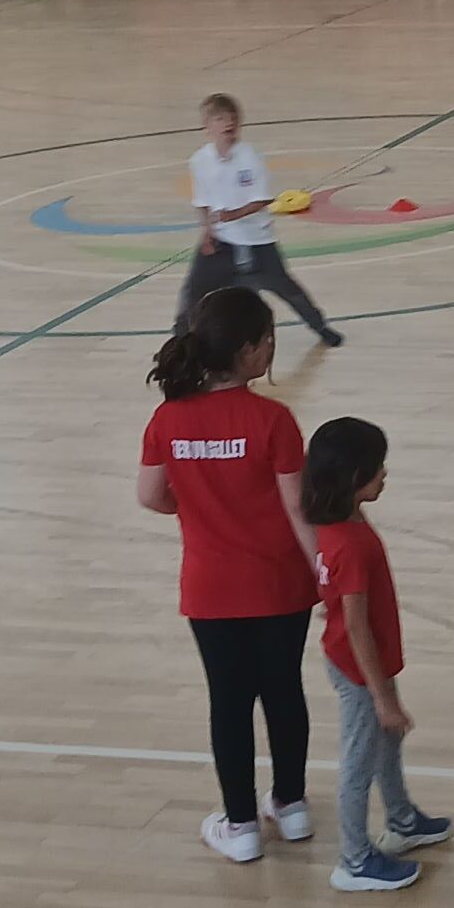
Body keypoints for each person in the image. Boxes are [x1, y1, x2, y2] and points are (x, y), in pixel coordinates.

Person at [137, 287, 319, 866]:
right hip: (281, 584)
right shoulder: (273, 420)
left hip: (211, 588)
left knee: (229, 702)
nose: (272, 348)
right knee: (283, 691)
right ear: (246, 351)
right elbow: (298, 508)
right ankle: (291, 806)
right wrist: (325, 570)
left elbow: (150, 496)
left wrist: (196, 507)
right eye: (268, 340)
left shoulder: (167, 419)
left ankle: (239, 824)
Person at [302, 416, 452, 893]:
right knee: (359, 761)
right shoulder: (351, 543)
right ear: (353, 478)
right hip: (359, 669)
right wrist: (382, 697)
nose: (385, 473)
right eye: (378, 467)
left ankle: (403, 820)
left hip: (364, 665)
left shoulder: (340, 521)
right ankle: (354, 860)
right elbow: (358, 627)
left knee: (387, 744)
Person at [180, 91, 342, 346]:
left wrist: (233, 215)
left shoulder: (251, 157)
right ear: (207, 127)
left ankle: (320, 326)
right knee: (193, 292)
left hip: (257, 241)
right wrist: (207, 231)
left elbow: (262, 200)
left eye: (233, 117)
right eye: (221, 118)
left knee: (286, 288)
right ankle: (179, 341)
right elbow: (202, 202)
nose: (229, 123)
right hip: (221, 242)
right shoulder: (199, 161)